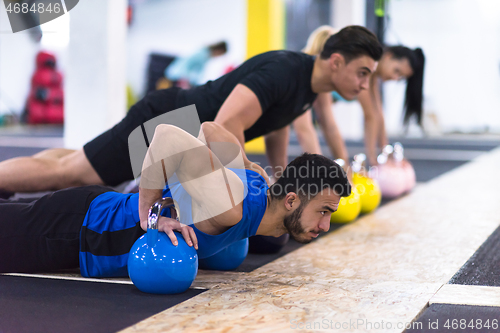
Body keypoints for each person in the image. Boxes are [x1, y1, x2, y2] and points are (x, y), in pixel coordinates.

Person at [0, 25, 382, 197]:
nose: (365, 85)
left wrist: (279, 180)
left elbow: (275, 125)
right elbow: (226, 123)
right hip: (168, 122)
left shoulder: (307, 86)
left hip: (182, 131)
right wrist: (252, 179)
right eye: (362, 73)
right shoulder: (286, 70)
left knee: (76, 162)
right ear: (335, 61)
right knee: (71, 175)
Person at [0, 122, 350, 277]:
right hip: (79, 230)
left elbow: (212, 129)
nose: (325, 225)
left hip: (88, 213)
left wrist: (244, 162)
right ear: (290, 201)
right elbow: (166, 138)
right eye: (323, 212)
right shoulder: (231, 207)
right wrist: (150, 214)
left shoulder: (255, 184)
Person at [292, 26, 425, 166]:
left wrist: (383, 153)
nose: (394, 78)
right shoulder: (312, 78)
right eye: (396, 71)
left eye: (400, 78)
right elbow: (320, 125)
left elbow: (376, 114)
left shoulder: (367, 79)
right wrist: (370, 161)